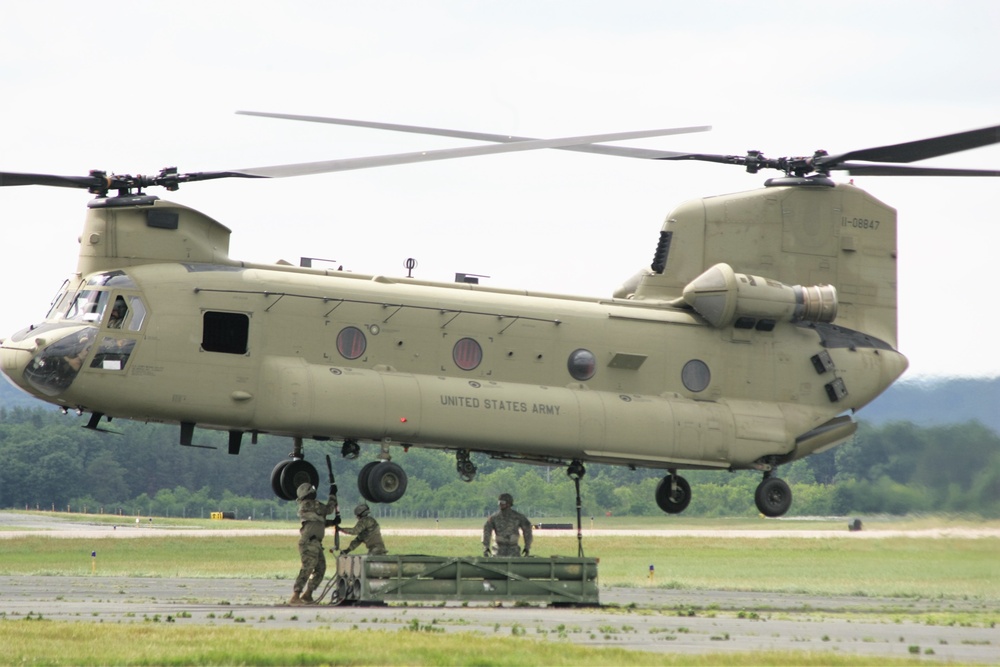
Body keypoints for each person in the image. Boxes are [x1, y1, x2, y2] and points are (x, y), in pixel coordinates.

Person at [290, 482, 338, 605]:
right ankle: (296, 595)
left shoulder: (311, 508)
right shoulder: (308, 504)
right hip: (309, 542)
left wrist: (333, 522)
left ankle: (308, 594)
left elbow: (319, 522)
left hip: (315, 543)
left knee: (321, 568)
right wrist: (332, 495)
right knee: (307, 568)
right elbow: (329, 509)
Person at [482, 493, 533, 557]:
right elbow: (486, 531)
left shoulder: (518, 517)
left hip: (514, 549)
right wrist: (486, 547)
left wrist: (527, 547)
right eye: (499, 502)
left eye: (502, 502)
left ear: (509, 503)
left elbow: (527, 530)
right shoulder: (494, 518)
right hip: (498, 550)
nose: (500, 504)